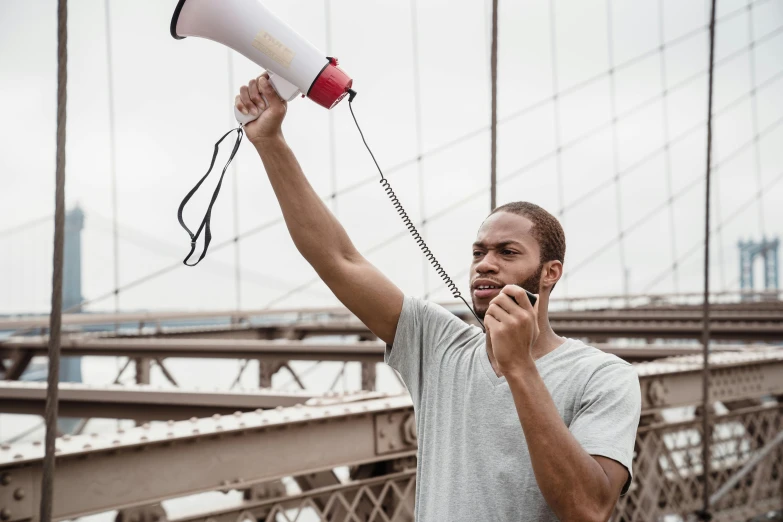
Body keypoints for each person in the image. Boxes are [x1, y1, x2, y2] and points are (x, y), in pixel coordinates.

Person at [236, 73, 641, 522]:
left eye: (507, 253)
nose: (485, 264)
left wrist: (520, 368)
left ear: (550, 274)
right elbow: (338, 259)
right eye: (478, 252)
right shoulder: (440, 343)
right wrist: (270, 142)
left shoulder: (604, 378)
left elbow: (588, 509)